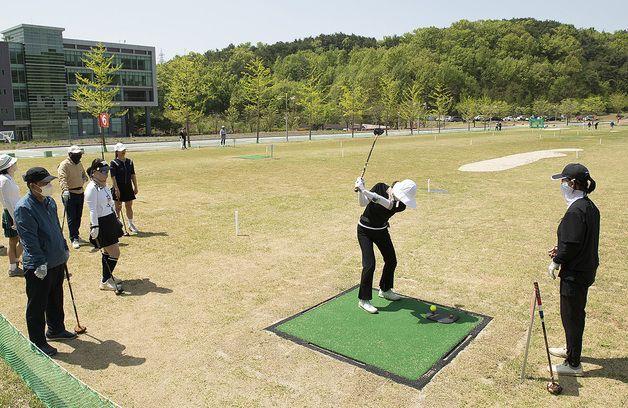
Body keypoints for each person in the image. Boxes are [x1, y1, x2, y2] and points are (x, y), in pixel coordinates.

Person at [14, 167, 75, 357]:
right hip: (38, 265)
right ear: (33, 186)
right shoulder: (24, 207)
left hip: (56, 259)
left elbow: (56, 227)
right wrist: (40, 262)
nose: (49, 186)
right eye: (45, 183)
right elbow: (29, 239)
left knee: (56, 297)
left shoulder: (49, 201)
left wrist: (63, 247)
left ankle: (56, 329)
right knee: (37, 304)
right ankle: (38, 342)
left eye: (49, 182)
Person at [547, 163, 600, 376]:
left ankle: (573, 363)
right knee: (573, 314)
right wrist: (561, 249)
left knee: (572, 315)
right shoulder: (588, 206)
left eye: (563, 181)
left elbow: (572, 244)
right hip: (585, 268)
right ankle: (571, 349)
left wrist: (557, 260)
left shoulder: (576, 211)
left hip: (576, 273)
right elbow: (577, 240)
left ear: (572, 183)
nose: (561, 185)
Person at [354, 177, 417, 314]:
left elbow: (384, 202)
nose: (402, 199)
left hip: (381, 231)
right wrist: (360, 190)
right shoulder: (380, 186)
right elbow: (363, 203)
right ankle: (363, 300)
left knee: (391, 260)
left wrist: (364, 189)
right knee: (369, 264)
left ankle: (385, 289)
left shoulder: (400, 205)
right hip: (364, 230)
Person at [85, 159, 124, 291]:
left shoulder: (104, 185)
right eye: (103, 172)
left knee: (108, 252)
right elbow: (92, 210)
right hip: (101, 222)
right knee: (115, 252)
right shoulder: (91, 189)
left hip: (110, 219)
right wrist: (94, 226)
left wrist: (116, 218)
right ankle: (104, 281)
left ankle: (107, 276)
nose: (106, 174)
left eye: (107, 171)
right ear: (94, 172)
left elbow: (110, 203)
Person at [57, 145, 88, 249]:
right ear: (70, 155)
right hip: (69, 193)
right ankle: (73, 238)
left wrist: (83, 179)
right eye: (77, 154)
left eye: (80, 154)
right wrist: (65, 190)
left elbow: (84, 174)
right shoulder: (64, 165)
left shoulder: (79, 163)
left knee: (78, 216)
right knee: (72, 217)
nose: (79, 156)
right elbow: (62, 178)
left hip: (80, 192)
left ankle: (76, 235)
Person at [0, 154, 23, 277]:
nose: (15, 164)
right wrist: (14, 219)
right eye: (13, 163)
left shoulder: (8, 178)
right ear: (8, 166)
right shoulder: (3, 180)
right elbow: (7, 201)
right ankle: (13, 266)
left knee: (15, 241)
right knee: (17, 241)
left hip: (14, 213)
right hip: (11, 214)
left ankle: (14, 265)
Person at [110, 143, 139, 233]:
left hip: (128, 187)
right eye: (121, 150)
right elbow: (113, 177)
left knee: (129, 206)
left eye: (124, 150)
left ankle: (130, 224)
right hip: (118, 187)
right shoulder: (113, 163)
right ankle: (118, 225)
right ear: (117, 152)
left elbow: (132, 175)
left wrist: (135, 186)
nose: (123, 152)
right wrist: (116, 189)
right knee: (118, 207)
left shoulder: (129, 162)